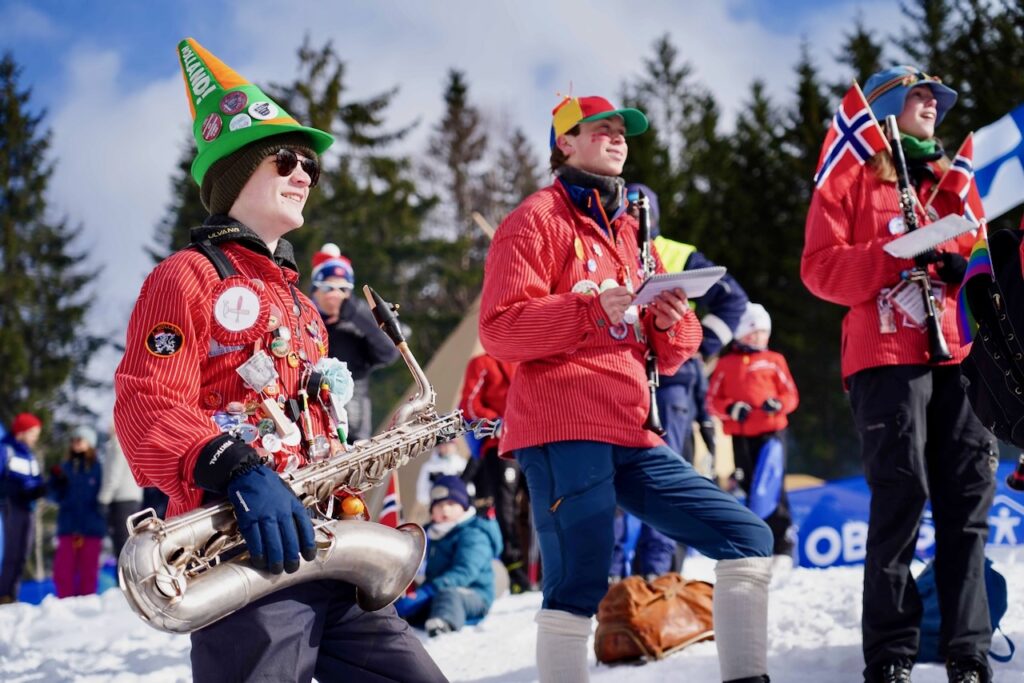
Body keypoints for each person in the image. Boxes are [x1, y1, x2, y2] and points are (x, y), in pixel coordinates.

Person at [114, 38, 447, 683]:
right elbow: (147, 405)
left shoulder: (298, 304)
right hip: (245, 562)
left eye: (311, 170)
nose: (305, 175)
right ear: (237, 173)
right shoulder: (186, 277)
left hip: (329, 553)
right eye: (287, 161)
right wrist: (236, 469)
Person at [480, 93, 773, 683]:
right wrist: (585, 311)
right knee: (578, 583)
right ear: (565, 142)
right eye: (602, 130)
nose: (618, 139)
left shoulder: (628, 230)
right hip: (563, 426)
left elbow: (673, 344)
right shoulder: (534, 218)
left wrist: (672, 320)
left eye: (622, 131)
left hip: (633, 428)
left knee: (747, 535)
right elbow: (499, 329)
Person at [801, 65, 996, 683]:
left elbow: (984, 264)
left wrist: (954, 265)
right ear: (883, 108)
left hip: (957, 356)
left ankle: (969, 651)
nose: (932, 106)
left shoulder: (952, 182)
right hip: (885, 357)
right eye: (918, 96)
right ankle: (891, 653)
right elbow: (820, 268)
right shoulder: (850, 177)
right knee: (900, 499)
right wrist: (891, 257)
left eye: (936, 98)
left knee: (967, 503)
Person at [610, 183, 750, 581]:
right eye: (626, 211)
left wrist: (703, 346)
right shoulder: (603, 249)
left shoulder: (676, 253)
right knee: (613, 479)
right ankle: (614, 581)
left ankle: (657, 577)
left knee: (661, 477)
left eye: (639, 211)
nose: (632, 218)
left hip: (669, 379)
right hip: (619, 375)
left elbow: (732, 299)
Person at [708, 303, 798, 568]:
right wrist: (731, 409)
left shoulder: (774, 360)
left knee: (773, 487)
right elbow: (712, 400)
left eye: (764, 332)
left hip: (772, 434)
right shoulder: (725, 364)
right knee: (749, 486)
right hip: (742, 436)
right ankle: (757, 544)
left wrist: (778, 404)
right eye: (754, 332)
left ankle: (783, 547)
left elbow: (791, 394)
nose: (760, 338)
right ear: (741, 333)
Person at [458, 351, 533, 591]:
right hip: (500, 443)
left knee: (541, 505)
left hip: (534, 441)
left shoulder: (529, 358)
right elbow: (468, 404)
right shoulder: (482, 362)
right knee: (506, 506)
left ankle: (542, 568)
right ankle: (514, 570)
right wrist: (496, 421)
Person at [310, 243, 400, 443]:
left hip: (353, 423)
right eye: (327, 287)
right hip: (309, 420)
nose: (335, 294)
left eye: (343, 288)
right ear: (315, 290)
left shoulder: (360, 325)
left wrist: (355, 313)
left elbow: (390, 350)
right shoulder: (304, 320)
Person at [395, 475, 502, 636]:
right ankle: (399, 621)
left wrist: (430, 590)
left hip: (472, 593)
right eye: (439, 505)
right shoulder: (430, 534)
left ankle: (442, 624)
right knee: (412, 605)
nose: (445, 509)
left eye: (451, 504)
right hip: (436, 590)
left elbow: (465, 571)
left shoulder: (473, 533)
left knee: (449, 595)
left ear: (464, 507)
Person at [48, 426, 105, 598]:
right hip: (68, 526)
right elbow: (54, 496)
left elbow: (103, 495)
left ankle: (87, 603)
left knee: (88, 571)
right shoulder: (64, 467)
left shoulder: (98, 468)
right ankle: (64, 604)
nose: (76, 444)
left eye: (80, 440)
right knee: (63, 570)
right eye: (73, 440)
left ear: (90, 443)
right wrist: (55, 482)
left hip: (91, 526)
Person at [0, 412, 46, 603]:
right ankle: (3, 595)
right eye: (33, 432)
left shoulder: (29, 455)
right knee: (10, 553)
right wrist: (16, 489)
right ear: (22, 431)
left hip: (28, 508)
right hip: (11, 506)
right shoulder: (5, 449)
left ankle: (12, 594)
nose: (36, 437)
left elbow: (35, 481)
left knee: (22, 553)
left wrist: (42, 487)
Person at [97, 427, 143, 558]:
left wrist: (103, 500)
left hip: (120, 501)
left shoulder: (117, 445)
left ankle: (125, 577)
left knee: (123, 548)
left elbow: (113, 477)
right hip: (133, 499)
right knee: (132, 545)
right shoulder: (132, 442)